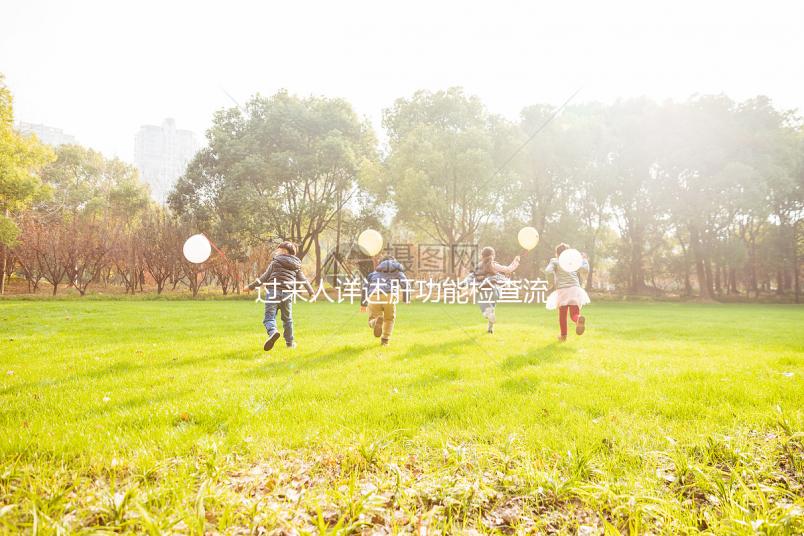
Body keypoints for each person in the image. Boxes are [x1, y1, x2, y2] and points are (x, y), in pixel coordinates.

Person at [247, 241, 314, 351]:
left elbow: (264, 277)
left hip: (273, 292)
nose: (277, 251)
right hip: (287, 294)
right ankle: (290, 344)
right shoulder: (296, 265)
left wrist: (250, 287)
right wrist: (311, 292)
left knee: (269, 317)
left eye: (279, 249)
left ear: (284, 251)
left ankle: (273, 332)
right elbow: (303, 279)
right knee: (287, 320)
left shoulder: (276, 262)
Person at [463, 247, 520, 334]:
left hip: (484, 291)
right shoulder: (494, 265)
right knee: (491, 309)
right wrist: (516, 261)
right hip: (495, 292)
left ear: (482, 256)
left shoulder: (479, 266)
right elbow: (508, 269)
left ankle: (488, 316)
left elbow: (471, 276)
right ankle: (490, 329)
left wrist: (464, 283)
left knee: (484, 305)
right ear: (493, 256)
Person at [544, 243, 590, 342]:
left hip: (562, 291)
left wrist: (551, 283)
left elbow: (548, 271)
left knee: (562, 315)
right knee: (574, 313)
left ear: (557, 253)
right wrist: (584, 259)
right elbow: (585, 269)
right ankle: (578, 319)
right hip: (575, 289)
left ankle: (563, 336)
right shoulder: (573, 262)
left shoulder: (555, 261)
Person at [360, 255, 409, 346]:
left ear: (381, 263)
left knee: (372, 318)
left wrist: (363, 304)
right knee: (389, 319)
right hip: (389, 296)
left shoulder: (373, 273)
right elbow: (405, 283)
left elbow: (365, 287)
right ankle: (385, 340)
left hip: (374, 295)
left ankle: (375, 322)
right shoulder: (397, 271)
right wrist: (406, 298)